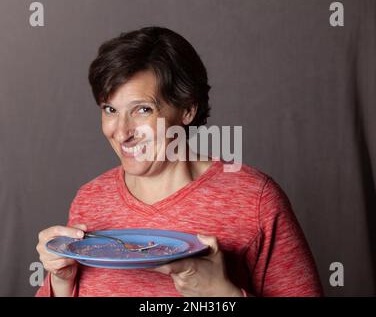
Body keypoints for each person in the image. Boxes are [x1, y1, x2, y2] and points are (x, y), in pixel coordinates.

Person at [36, 26, 323, 297]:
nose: (121, 131)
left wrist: (222, 294)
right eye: (110, 109)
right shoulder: (90, 200)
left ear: (186, 110)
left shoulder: (255, 200)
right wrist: (62, 282)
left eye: (142, 109)